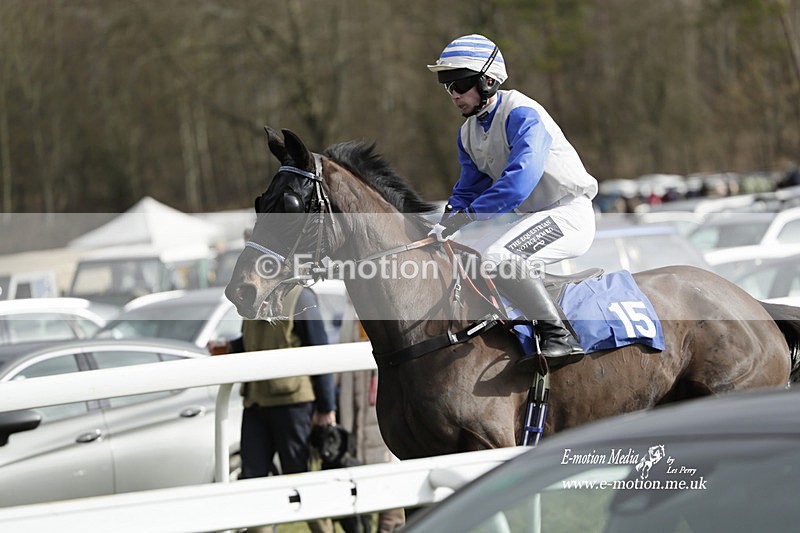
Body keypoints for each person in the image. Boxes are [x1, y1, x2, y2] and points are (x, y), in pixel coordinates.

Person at [426, 34, 599, 372]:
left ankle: (561, 335)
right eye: (447, 87)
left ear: (488, 81)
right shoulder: (467, 134)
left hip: (568, 213)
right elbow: (467, 190)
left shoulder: (522, 113)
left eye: (459, 84)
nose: (454, 95)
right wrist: (445, 221)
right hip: (534, 219)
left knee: (498, 258)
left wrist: (468, 216)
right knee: (468, 258)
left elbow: (518, 182)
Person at [226, 284, 337, 533]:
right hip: (255, 403)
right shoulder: (252, 296)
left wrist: (326, 407)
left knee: (302, 479)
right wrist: (231, 347)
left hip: (294, 406)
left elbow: (319, 349)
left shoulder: (301, 297)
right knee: (252, 482)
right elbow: (254, 341)